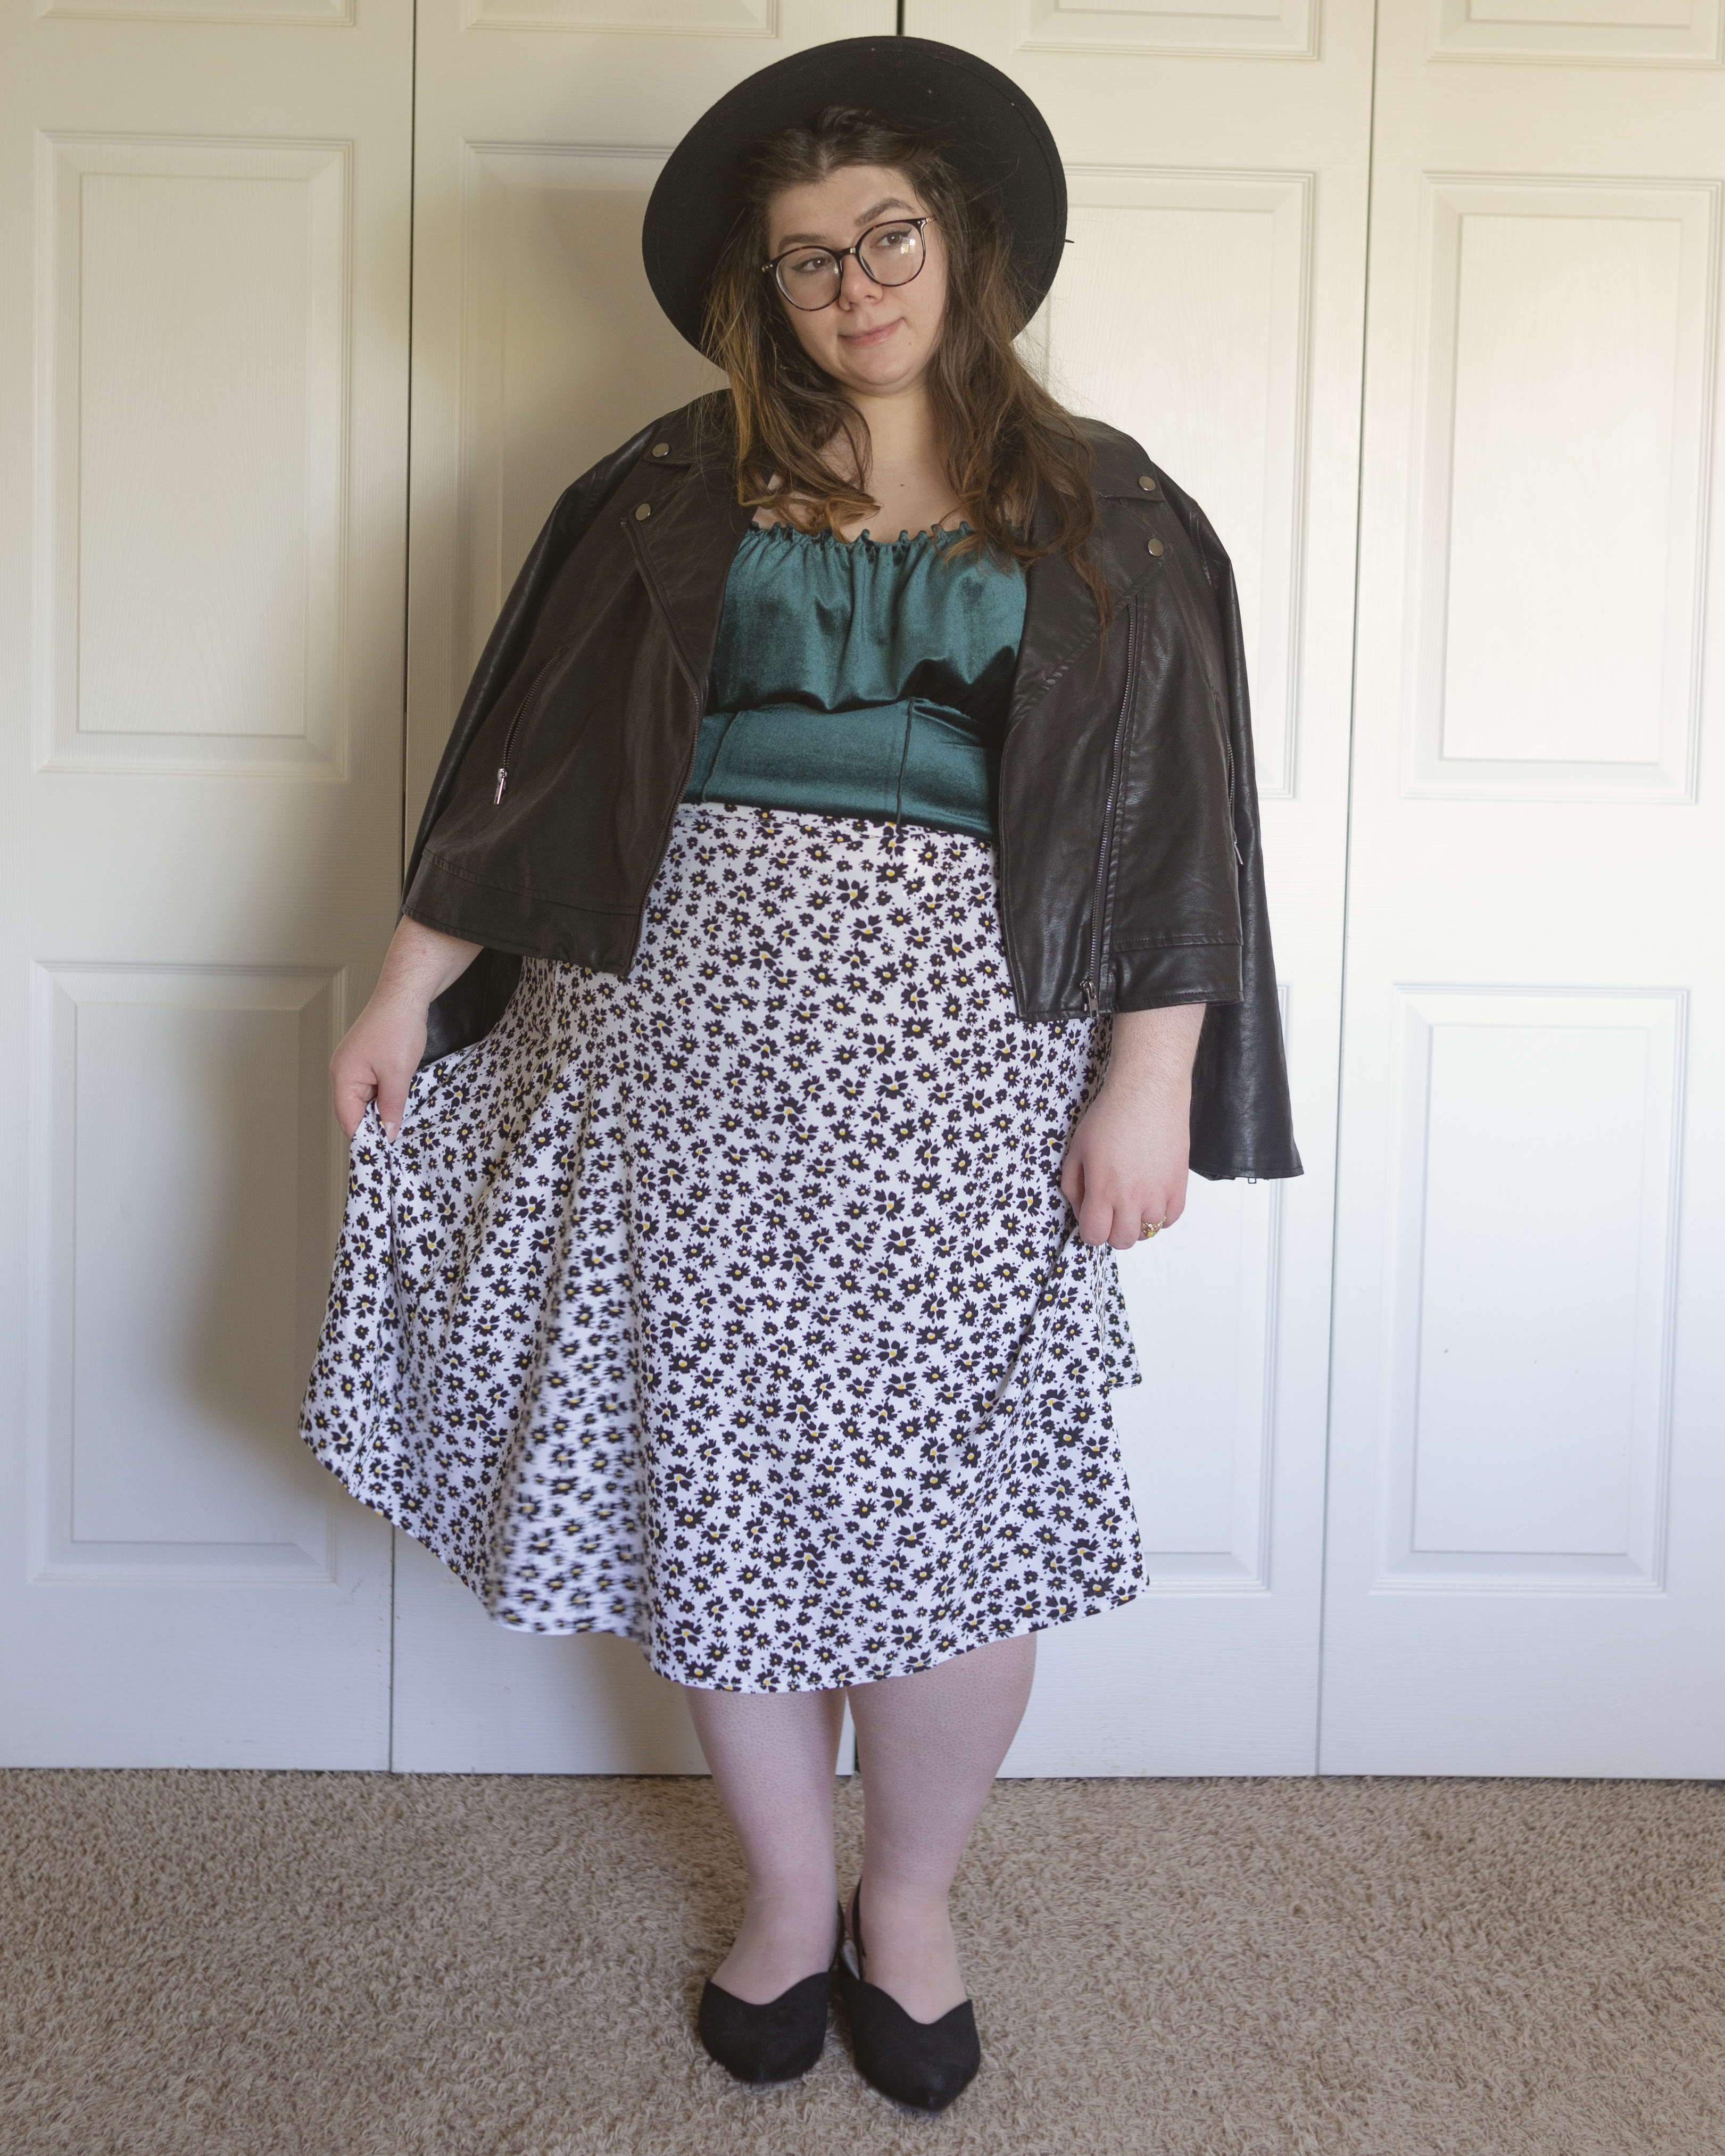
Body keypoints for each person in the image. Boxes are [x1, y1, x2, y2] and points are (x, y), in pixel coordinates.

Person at [300, 35, 1299, 2116]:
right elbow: (533, 769)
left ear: (968, 247)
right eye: (806, 257)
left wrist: (1148, 1075)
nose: (853, 281)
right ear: (766, 292)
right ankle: (781, 1894)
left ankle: (910, 1898)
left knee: (948, 1517)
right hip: (672, 1072)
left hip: (965, 1092)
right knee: (723, 1488)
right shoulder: (670, 487)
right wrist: (405, 985)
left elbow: (1173, 818)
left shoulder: (1109, 506)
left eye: (889, 236)